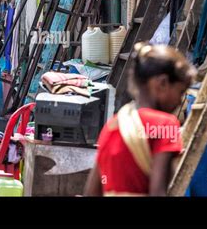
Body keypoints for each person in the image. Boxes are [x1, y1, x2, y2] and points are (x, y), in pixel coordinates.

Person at [84, 42, 197, 196]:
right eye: (181, 91)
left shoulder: (113, 124)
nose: (180, 100)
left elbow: (91, 192)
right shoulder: (165, 124)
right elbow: (158, 192)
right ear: (162, 83)